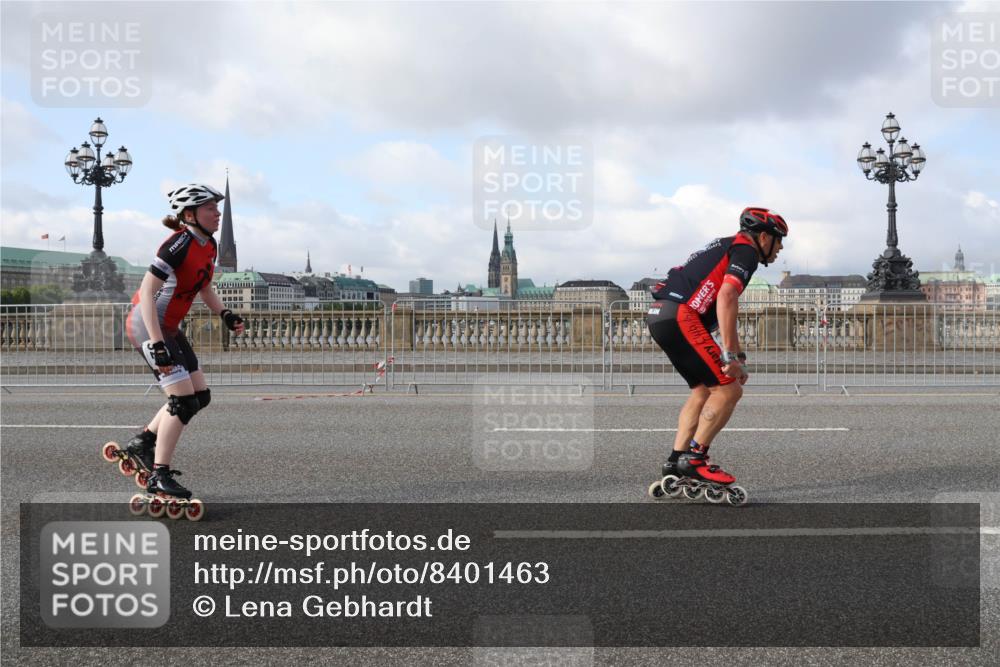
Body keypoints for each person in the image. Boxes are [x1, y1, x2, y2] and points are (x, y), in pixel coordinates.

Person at [646, 206, 788, 501]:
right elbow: (726, 297)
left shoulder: (725, 244)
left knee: (702, 391)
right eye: (779, 239)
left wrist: (736, 353)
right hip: (682, 316)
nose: (781, 248)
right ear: (763, 237)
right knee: (728, 391)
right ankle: (695, 460)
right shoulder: (746, 251)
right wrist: (731, 356)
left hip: (661, 315)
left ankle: (675, 461)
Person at [123, 183, 245, 501]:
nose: (217, 214)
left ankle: (143, 442)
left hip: (171, 327)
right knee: (182, 401)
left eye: (218, 209)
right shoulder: (177, 245)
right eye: (211, 209)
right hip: (148, 325)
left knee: (199, 397)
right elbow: (147, 293)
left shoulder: (209, 244)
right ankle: (158, 474)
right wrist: (156, 342)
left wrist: (226, 313)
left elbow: (204, 288)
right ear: (190, 214)